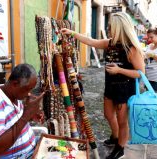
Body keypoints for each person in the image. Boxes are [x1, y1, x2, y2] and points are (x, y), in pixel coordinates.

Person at [61, 12, 145, 159]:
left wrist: (119, 70)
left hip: (125, 89)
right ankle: (115, 136)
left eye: (110, 26)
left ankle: (120, 148)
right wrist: (72, 33)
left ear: (119, 28)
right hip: (110, 87)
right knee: (108, 115)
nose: (108, 28)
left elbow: (140, 73)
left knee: (122, 121)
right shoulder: (110, 43)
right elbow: (91, 41)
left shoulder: (132, 49)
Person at [0, 64, 45, 159]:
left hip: (31, 150)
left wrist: (31, 116)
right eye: (27, 89)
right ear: (15, 84)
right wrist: (26, 115)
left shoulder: (15, 96)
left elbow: (13, 123)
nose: (29, 93)